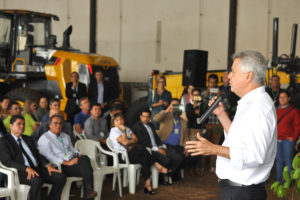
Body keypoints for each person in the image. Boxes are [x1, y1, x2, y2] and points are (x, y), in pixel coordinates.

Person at [186, 50, 277, 200]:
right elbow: (238, 139)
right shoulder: (249, 103)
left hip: (243, 192)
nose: (228, 77)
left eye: (233, 72)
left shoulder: (259, 107)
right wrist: (222, 115)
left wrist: (212, 149)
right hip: (238, 191)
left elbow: (254, 155)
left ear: (248, 76)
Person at [0, 115, 66, 200]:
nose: (22, 126)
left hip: (37, 169)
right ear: (11, 126)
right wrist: (26, 168)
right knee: (36, 180)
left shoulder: (28, 138)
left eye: (23, 124)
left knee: (60, 177)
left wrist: (47, 165)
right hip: (20, 173)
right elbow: (7, 161)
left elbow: (38, 155)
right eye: (19, 124)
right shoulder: (4, 141)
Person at [37, 114, 97, 199]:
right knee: (87, 169)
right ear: (49, 125)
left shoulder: (65, 136)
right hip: (60, 165)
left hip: (72, 161)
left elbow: (72, 149)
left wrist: (78, 154)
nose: (58, 125)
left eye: (60, 123)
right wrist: (67, 163)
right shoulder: (45, 138)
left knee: (85, 159)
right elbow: (49, 156)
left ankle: (88, 191)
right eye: (55, 123)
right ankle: (88, 192)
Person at [109, 113, 168, 195]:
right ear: (113, 123)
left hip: (133, 153)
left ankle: (148, 184)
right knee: (143, 147)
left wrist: (129, 140)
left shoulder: (127, 128)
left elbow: (136, 139)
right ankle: (157, 165)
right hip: (124, 156)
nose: (120, 122)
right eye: (117, 120)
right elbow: (125, 142)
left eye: (121, 119)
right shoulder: (114, 130)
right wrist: (124, 132)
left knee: (144, 157)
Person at [132, 108, 183, 178]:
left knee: (178, 158)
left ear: (150, 117)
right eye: (143, 116)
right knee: (166, 161)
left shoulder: (151, 125)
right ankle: (164, 177)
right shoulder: (137, 127)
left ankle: (169, 174)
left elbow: (157, 138)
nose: (145, 119)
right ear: (140, 116)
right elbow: (144, 143)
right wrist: (158, 149)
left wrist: (161, 147)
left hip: (158, 148)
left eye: (147, 117)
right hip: (149, 150)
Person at [153, 98, 189, 175]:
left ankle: (171, 173)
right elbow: (155, 119)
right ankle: (169, 174)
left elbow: (185, 136)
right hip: (165, 145)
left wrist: (186, 147)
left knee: (188, 157)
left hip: (178, 146)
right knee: (178, 158)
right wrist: (166, 111)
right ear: (169, 105)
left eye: (177, 105)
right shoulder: (166, 116)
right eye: (173, 105)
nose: (175, 107)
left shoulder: (182, 120)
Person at [276, 90, 300, 183]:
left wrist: (293, 138)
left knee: (288, 161)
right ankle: (278, 181)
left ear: (289, 98)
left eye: (284, 97)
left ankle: (287, 181)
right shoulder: (275, 110)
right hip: (277, 140)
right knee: (279, 161)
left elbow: (298, 126)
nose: (282, 99)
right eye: (280, 97)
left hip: (287, 141)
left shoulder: (293, 111)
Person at [201, 73, 223, 173]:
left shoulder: (220, 94)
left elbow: (225, 107)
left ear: (217, 84)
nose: (212, 85)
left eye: (214, 83)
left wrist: (219, 97)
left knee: (215, 145)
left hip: (218, 123)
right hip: (207, 123)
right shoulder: (203, 93)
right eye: (210, 82)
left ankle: (212, 166)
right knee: (204, 144)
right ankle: (202, 166)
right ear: (208, 83)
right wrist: (206, 95)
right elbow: (202, 107)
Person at [185, 88, 206, 176]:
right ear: (191, 96)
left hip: (200, 130)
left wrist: (199, 112)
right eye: (195, 95)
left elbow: (205, 118)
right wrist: (194, 107)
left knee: (200, 150)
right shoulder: (189, 105)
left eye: (198, 95)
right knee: (192, 149)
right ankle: (191, 168)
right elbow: (188, 117)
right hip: (191, 130)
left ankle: (197, 168)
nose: (196, 97)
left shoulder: (203, 105)